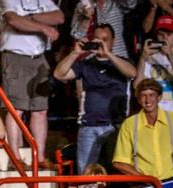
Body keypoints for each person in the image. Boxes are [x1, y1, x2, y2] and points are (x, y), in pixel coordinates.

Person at [54, 24, 136, 174]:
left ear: (113, 41)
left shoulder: (122, 62)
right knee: (86, 174)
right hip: (89, 126)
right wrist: (75, 53)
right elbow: (59, 75)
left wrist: (109, 54)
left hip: (116, 127)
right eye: (98, 40)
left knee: (116, 173)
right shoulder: (85, 65)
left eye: (106, 40)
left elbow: (132, 73)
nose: (101, 44)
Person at [0, 0, 64, 168]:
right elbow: (13, 20)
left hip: (39, 58)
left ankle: (40, 158)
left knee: (41, 109)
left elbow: (59, 17)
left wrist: (31, 18)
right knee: (16, 109)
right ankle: (15, 158)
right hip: (15, 56)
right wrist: (43, 26)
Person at [113, 79, 173, 188]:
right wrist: (147, 180)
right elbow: (119, 163)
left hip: (169, 184)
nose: (147, 100)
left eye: (151, 95)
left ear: (159, 97)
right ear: (138, 99)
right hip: (141, 186)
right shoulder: (129, 124)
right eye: (143, 96)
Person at [134, 15, 173, 122]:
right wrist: (143, 58)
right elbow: (137, 86)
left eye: (169, 34)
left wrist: (171, 58)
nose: (165, 38)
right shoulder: (148, 58)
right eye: (161, 34)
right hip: (152, 121)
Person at [70, 0, 137, 58]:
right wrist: (86, 19)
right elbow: (76, 35)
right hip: (92, 60)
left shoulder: (117, 3)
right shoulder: (82, 6)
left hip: (117, 56)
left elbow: (131, 4)